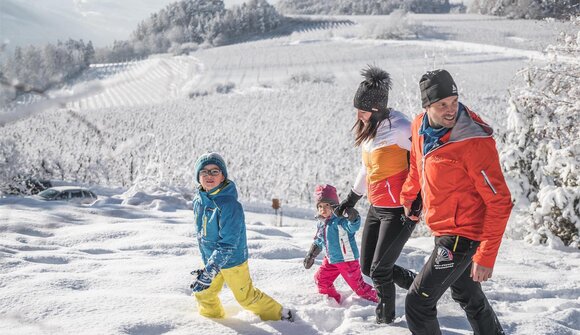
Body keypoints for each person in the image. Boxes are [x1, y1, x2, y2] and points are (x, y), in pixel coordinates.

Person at [400, 69, 513, 335]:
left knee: (418, 303)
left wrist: (486, 254)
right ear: (427, 106)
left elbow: (500, 202)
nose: (451, 110)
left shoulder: (473, 142)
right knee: (467, 295)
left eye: (454, 101)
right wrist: (409, 196)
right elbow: (418, 164)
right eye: (442, 105)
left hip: (463, 234)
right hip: (445, 227)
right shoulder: (419, 126)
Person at [334, 65, 419, 324]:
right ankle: (421, 286)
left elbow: (425, 161)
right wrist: (351, 198)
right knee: (367, 265)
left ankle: (386, 321)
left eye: (363, 110)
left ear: (377, 109)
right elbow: (367, 168)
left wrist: (419, 199)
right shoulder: (372, 131)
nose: (358, 115)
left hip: (399, 210)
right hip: (377, 206)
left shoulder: (402, 127)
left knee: (380, 271)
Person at [190, 152, 294, 322]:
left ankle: (280, 315)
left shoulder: (229, 205)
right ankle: (213, 323)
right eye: (204, 172)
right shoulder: (199, 200)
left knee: (245, 297)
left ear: (223, 175)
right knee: (204, 293)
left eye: (215, 171)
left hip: (232, 261)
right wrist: (209, 265)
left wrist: (211, 269)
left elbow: (228, 244)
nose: (209, 176)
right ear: (198, 177)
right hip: (211, 260)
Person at [303, 184, 378, 304]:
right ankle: (333, 301)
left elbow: (352, 227)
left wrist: (353, 217)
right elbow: (319, 239)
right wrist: (311, 255)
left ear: (334, 205)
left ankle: (383, 299)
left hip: (347, 260)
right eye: (320, 206)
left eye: (327, 205)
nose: (323, 209)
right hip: (331, 260)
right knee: (321, 280)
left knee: (359, 288)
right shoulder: (322, 222)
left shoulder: (341, 220)